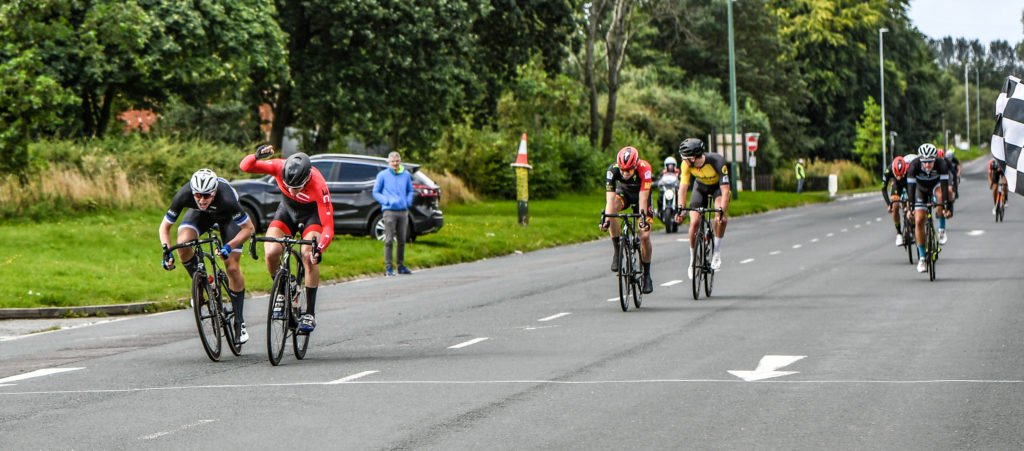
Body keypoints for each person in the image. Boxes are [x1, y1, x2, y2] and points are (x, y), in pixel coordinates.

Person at [239, 145, 334, 333]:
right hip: (286, 212)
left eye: (297, 187)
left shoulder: (318, 185)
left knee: (308, 255)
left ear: (307, 179)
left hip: (311, 217)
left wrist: (319, 249)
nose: (292, 191)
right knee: (271, 251)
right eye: (288, 186)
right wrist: (256, 156)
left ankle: (309, 314)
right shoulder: (278, 166)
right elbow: (246, 167)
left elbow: (329, 227)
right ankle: (283, 289)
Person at [160, 168, 256, 344]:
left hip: (228, 218)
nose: (202, 200)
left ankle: (239, 322)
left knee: (232, 266)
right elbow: (164, 227)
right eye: (198, 195)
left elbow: (249, 229)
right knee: (184, 243)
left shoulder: (226, 196)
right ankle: (205, 283)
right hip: (201, 216)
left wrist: (229, 246)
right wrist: (166, 251)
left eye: (206, 196)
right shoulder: (185, 193)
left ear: (214, 191)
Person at [600, 146, 655, 294]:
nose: (624, 174)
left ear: (635, 165)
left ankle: (647, 274)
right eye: (622, 170)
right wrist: (606, 217)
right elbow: (610, 199)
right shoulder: (612, 170)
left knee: (644, 235)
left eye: (629, 170)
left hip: (641, 197)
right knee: (611, 213)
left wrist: (643, 219)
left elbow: (643, 199)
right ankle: (617, 251)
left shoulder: (645, 169)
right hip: (624, 193)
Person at [674, 138, 731, 279]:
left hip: (717, 188)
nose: (683, 159)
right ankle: (693, 260)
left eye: (685, 157)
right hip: (700, 188)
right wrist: (681, 208)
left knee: (720, 219)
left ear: (693, 158)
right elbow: (683, 188)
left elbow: (725, 191)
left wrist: (721, 211)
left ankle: (716, 253)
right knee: (694, 222)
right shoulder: (686, 165)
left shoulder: (717, 161)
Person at [906, 143, 951, 273]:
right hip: (920, 190)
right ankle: (921, 258)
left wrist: (945, 207)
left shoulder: (941, 164)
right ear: (920, 160)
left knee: (941, 197)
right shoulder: (914, 166)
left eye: (930, 162)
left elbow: (944, 186)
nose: (927, 165)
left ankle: (941, 229)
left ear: (935, 159)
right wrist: (910, 208)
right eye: (924, 162)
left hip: (936, 186)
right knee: (919, 220)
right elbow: (911, 189)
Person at [372, 151, 415, 276]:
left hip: (403, 210)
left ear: (400, 161)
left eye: (397, 161)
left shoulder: (405, 175)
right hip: (389, 211)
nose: (395, 163)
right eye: (393, 161)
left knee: (402, 239)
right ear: (389, 162)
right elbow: (376, 192)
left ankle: (401, 266)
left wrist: (407, 202)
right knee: (389, 239)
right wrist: (386, 201)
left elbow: (410, 190)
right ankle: (389, 267)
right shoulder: (382, 175)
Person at [882, 156, 910, 246]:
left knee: (912, 203)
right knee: (895, 206)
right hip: (896, 185)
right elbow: (883, 189)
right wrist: (888, 204)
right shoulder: (888, 170)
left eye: (901, 175)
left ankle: (913, 224)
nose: (899, 177)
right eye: (897, 175)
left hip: (908, 182)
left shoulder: (910, 168)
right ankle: (899, 233)